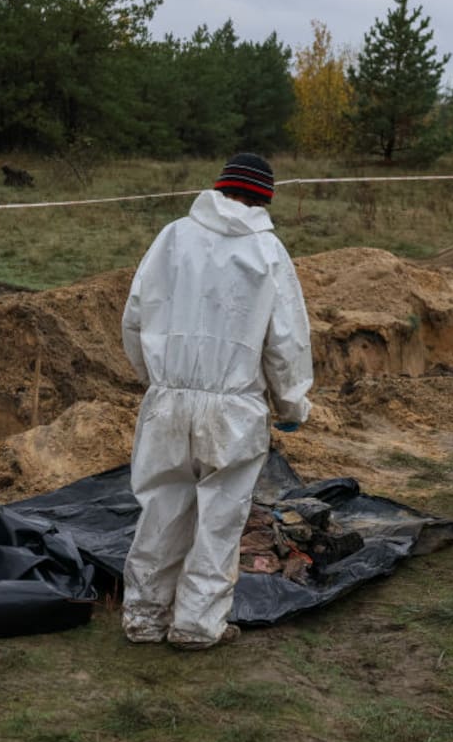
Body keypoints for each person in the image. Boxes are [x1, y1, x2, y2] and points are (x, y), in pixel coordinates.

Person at [120, 153, 314, 649]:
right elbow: (285, 341)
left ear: (219, 188)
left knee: (162, 508)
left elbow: (135, 318)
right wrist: (291, 406)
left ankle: (143, 616)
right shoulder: (268, 252)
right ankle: (197, 625)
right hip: (232, 408)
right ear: (264, 199)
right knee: (220, 519)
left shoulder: (171, 238)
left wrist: (157, 379)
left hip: (169, 398)